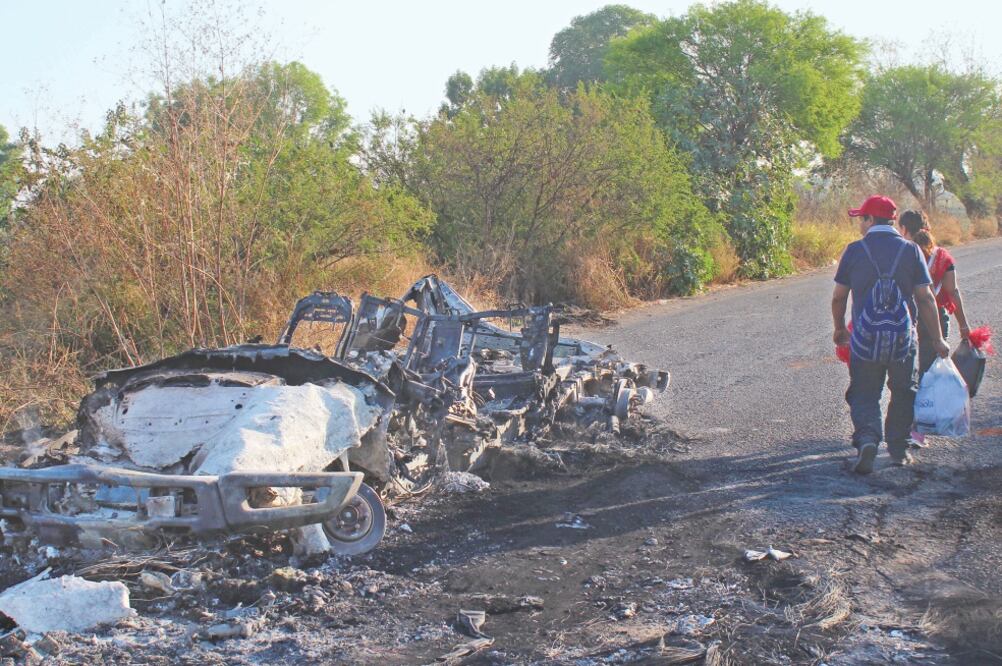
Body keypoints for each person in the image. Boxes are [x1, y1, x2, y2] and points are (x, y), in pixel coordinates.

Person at [831, 195, 949, 473]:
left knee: (864, 392)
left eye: (863, 218)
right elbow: (926, 298)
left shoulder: (855, 250)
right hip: (901, 340)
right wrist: (937, 338)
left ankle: (869, 438)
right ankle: (898, 448)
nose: (861, 224)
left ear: (870, 220)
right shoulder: (911, 251)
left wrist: (839, 328)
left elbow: (839, 297)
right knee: (904, 390)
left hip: (865, 339)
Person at [897, 210, 972, 376]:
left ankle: (907, 399)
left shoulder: (899, 255)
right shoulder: (941, 256)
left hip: (905, 317)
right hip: (935, 317)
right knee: (931, 370)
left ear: (903, 229)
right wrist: (963, 325)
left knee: (902, 372)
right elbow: (952, 291)